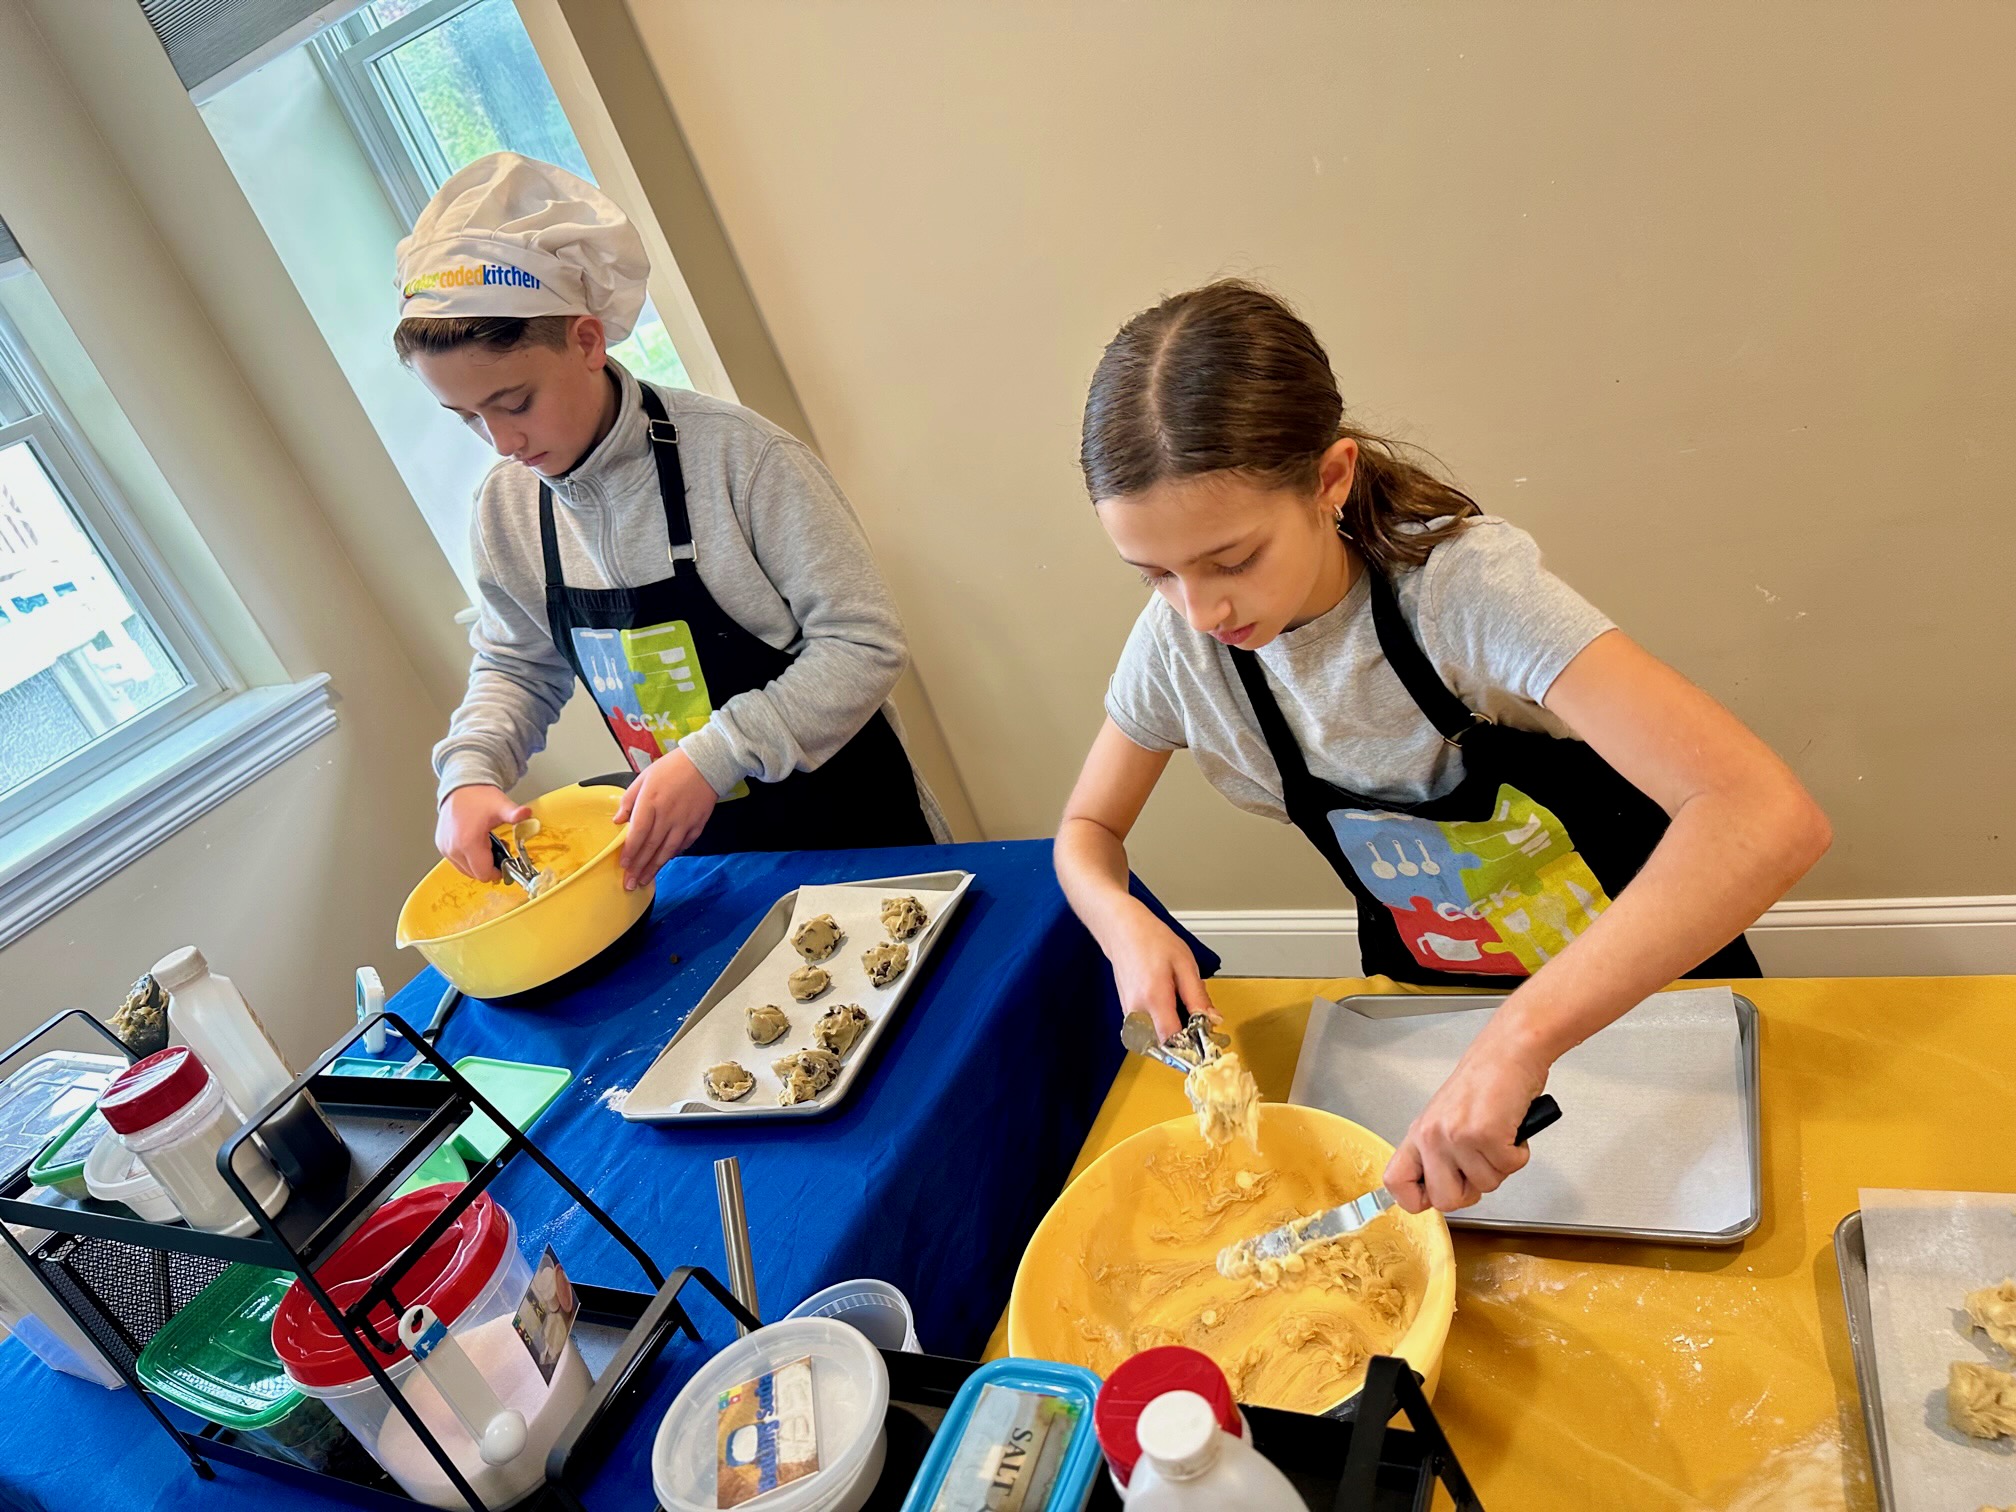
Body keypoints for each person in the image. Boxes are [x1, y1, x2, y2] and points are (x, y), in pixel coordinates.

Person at [1054, 281, 1829, 1213]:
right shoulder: (1182, 644)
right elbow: (1087, 829)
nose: (1201, 611)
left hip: (1652, 996)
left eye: (1233, 560)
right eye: (1155, 574)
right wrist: (1120, 920)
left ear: (1330, 478)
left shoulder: (1461, 589)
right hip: (1438, 1000)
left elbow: (1765, 815)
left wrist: (1521, 1036)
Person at [393, 154, 944, 889]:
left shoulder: (742, 459)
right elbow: (517, 664)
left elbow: (863, 644)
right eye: (466, 418)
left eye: (515, 402)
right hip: (711, 870)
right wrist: (467, 772)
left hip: (859, 839)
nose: (501, 443)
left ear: (587, 341)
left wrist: (714, 756)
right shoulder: (507, 509)